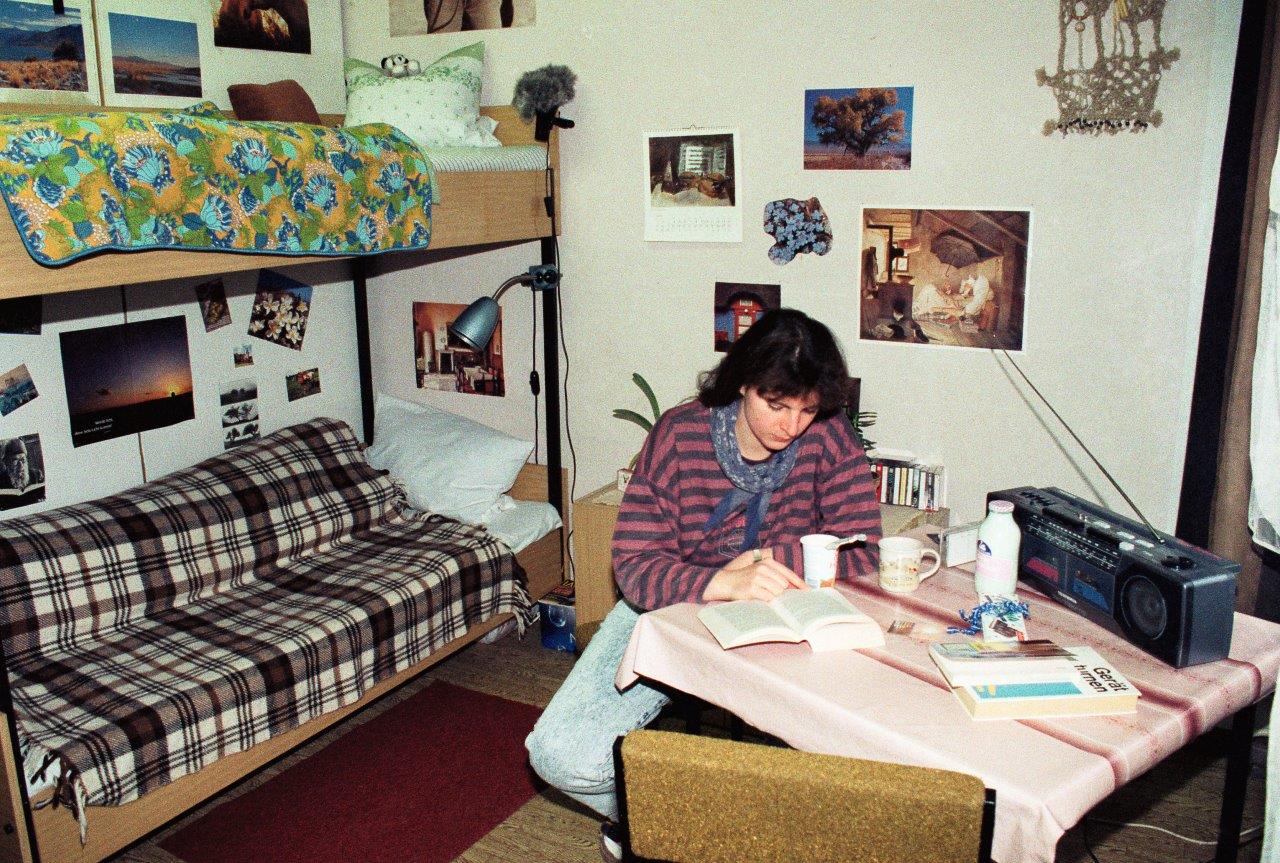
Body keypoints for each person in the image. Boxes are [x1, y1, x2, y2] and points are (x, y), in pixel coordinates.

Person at [525, 309, 882, 862]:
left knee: (865, 760)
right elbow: (634, 567)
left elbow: (865, 547)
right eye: (777, 405)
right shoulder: (679, 434)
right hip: (670, 608)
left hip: (785, 615)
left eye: (808, 409)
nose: (792, 426)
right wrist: (720, 581)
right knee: (558, 754)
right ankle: (672, 824)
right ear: (743, 382)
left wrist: (770, 562)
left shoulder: (829, 436)